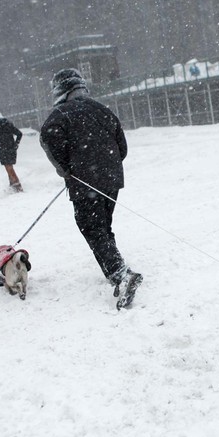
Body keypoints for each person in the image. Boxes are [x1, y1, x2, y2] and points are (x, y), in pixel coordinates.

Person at [39, 68, 142, 310]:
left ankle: (121, 274)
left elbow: (48, 141)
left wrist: (67, 170)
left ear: (60, 91)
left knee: (91, 227)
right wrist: (108, 167)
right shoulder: (102, 109)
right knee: (102, 225)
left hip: (85, 181)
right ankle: (116, 264)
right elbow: (122, 146)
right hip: (111, 178)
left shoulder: (60, 115)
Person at [0, 107, 24, 192]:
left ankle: (18, 187)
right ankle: (12, 185)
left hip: (2, 150)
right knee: (9, 166)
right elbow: (19, 133)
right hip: (11, 148)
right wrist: (16, 144)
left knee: (8, 167)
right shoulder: (7, 123)